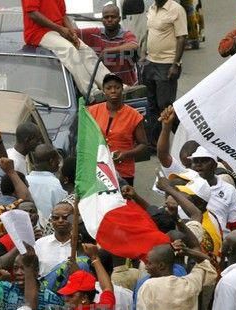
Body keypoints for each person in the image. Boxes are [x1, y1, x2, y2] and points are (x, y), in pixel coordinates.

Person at [22, 0, 111, 93]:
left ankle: (112, 84)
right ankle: (91, 92)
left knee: (85, 50)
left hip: (58, 30)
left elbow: (63, 15)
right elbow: (32, 13)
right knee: (69, 50)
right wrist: (60, 29)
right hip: (38, 33)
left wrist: (73, 33)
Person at [88, 74, 149, 185]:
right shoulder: (92, 111)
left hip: (123, 171)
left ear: (122, 90)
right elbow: (86, 140)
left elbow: (143, 145)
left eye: (117, 87)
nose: (113, 91)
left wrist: (125, 154)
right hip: (97, 170)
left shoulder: (134, 115)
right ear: (103, 91)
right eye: (109, 88)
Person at [143, 0, 187, 143]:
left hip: (167, 64)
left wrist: (176, 64)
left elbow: (182, 37)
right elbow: (150, 32)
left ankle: (188, 138)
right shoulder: (152, 8)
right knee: (152, 104)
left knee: (166, 105)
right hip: (150, 62)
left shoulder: (176, 9)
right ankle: (154, 142)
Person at [57, 244, 117, 310]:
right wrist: (95, 258)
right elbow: (107, 287)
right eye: (66, 294)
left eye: (71, 295)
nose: (66, 298)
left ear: (84, 298)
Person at [78, 4, 140, 86]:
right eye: (106, 17)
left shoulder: (126, 35)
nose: (109, 20)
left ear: (119, 19)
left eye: (113, 17)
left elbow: (133, 45)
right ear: (102, 20)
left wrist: (108, 51)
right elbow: (71, 33)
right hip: (105, 89)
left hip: (128, 88)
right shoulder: (94, 33)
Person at [25, 144, 68, 224]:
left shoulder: (25, 180)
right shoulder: (54, 184)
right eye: (57, 160)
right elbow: (63, 212)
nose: (59, 163)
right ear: (51, 162)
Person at [34, 202, 74, 276]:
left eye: (65, 217)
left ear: (73, 219)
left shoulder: (80, 244)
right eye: (56, 218)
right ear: (51, 220)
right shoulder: (39, 244)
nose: (60, 220)